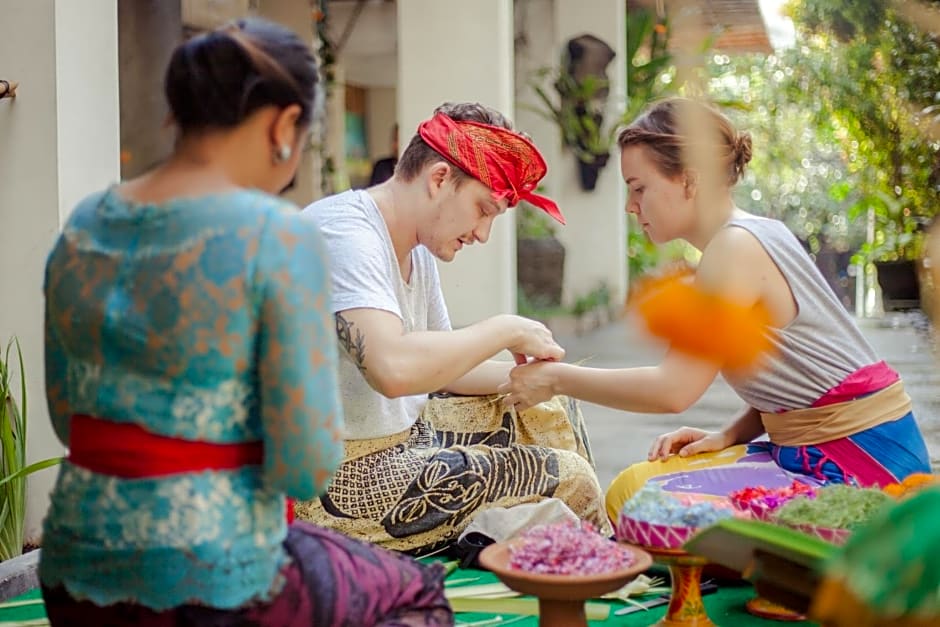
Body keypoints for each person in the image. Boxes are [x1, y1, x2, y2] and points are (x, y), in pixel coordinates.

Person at [39, 18, 451, 626]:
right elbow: (306, 463)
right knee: (418, 593)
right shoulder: (276, 237)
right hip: (214, 580)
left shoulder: (83, 225)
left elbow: (65, 419)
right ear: (283, 126)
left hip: (75, 571)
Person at [498, 97, 932, 521]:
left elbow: (674, 390)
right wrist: (730, 435)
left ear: (690, 180)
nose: (632, 207)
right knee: (643, 487)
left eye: (639, 188)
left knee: (638, 500)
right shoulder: (757, 233)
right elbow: (802, 381)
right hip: (834, 448)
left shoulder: (735, 247)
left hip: (866, 468)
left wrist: (555, 378)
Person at [297, 102, 608, 554]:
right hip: (332, 485)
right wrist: (503, 329)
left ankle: (558, 550)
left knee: (548, 406)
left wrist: (543, 377)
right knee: (569, 476)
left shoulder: (417, 246)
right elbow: (393, 371)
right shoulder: (343, 234)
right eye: (483, 210)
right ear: (439, 178)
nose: (482, 234)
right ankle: (605, 572)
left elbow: (446, 370)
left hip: (402, 444)